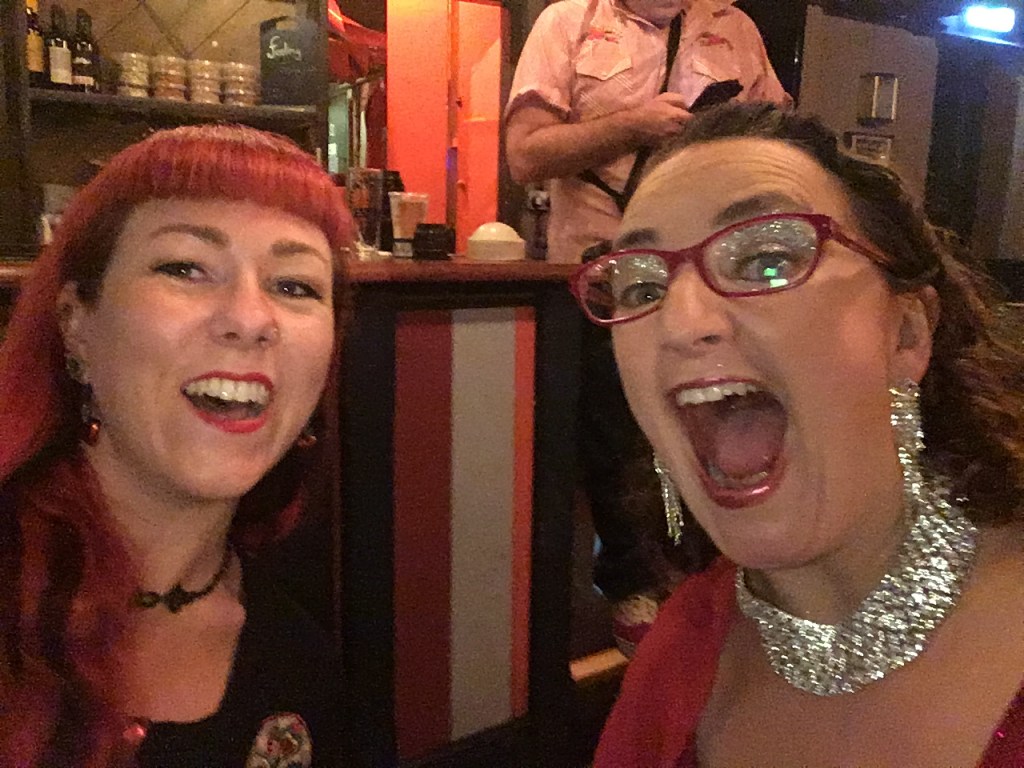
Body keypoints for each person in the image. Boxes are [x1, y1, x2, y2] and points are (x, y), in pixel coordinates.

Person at [569, 102, 1024, 765]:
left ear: (906, 334)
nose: (681, 321)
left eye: (766, 260)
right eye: (641, 287)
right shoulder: (675, 657)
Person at [0, 124, 353, 768]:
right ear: (76, 324)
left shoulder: (301, 653)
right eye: (185, 268)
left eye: (294, 285)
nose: (251, 319)